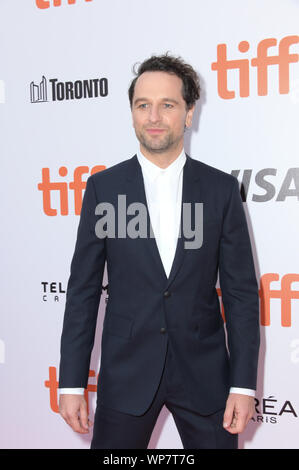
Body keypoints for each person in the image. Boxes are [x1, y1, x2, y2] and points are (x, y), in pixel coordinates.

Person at [58, 53, 260, 449]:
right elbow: (82, 290)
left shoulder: (220, 191)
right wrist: (71, 382)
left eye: (167, 105)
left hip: (206, 379)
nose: (153, 116)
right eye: (142, 105)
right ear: (132, 113)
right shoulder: (104, 189)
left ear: (188, 113)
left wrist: (243, 383)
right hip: (126, 375)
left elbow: (240, 295)